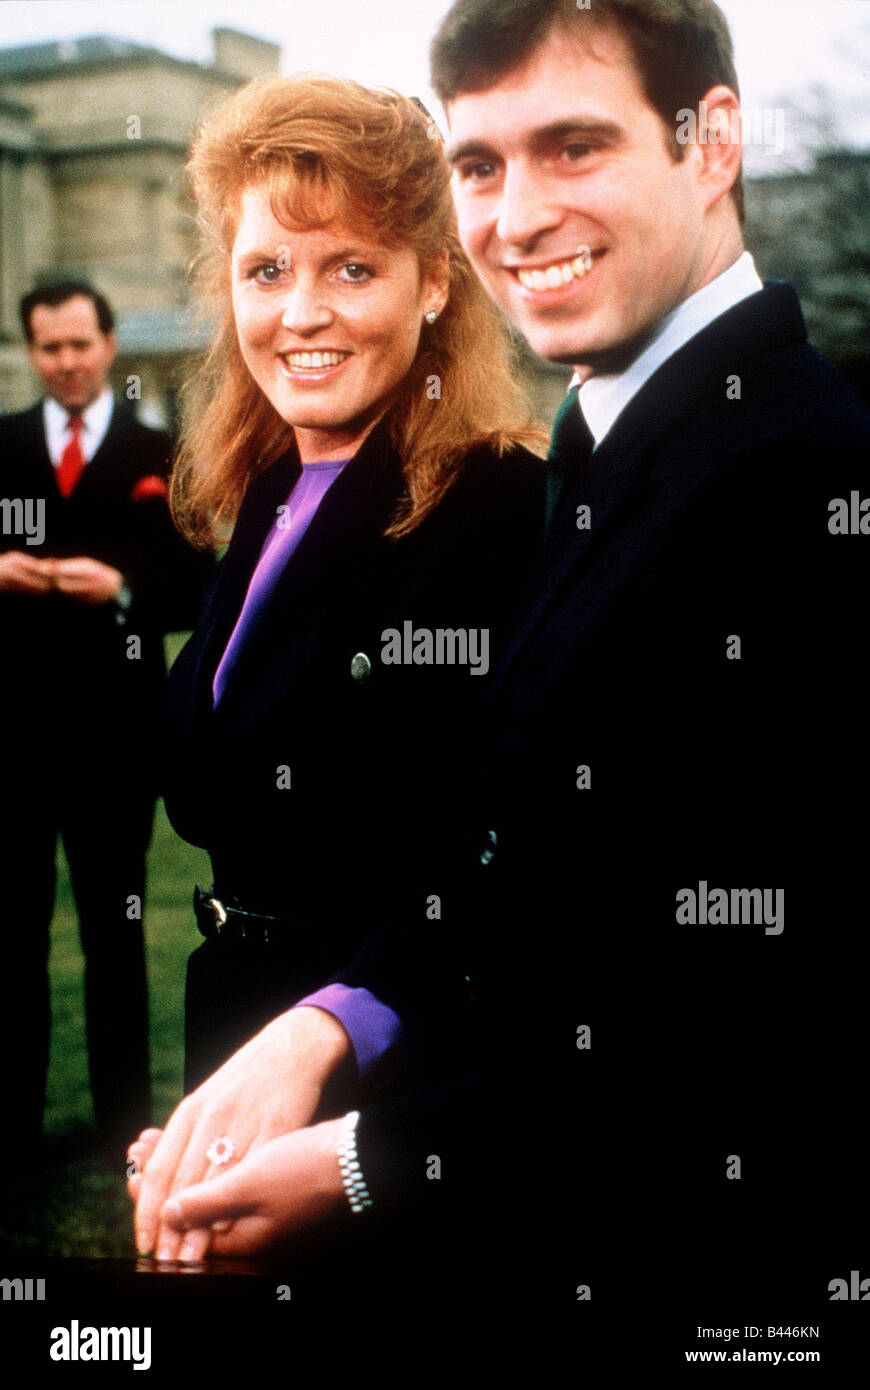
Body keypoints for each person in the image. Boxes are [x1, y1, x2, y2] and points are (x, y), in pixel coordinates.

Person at [130, 0, 868, 1320]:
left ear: (712, 144)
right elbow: (527, 868)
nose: (516, 216)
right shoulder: (612, 446)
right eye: (479, 164)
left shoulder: (790, 475)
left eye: (572, 145)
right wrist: (313, 1033)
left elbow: (743, 996)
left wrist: (361, 1156)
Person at [126, 73, 545, 1252]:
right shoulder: (265, 492)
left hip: (401, 1080)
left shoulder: (504, 507)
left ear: (436, 282)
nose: (300, 310)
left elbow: (514, 863)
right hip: (239, 1037)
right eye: (267, 271)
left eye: (351, 268)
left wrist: (329, 1033)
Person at [0, 281, 210, 1168]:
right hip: (11, 738)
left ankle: (124, 1126)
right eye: (50, 349)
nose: (68, 363)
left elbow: (203, 587)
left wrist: (118, 589)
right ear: (32, 352)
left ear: (109, 343)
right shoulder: (2, 447)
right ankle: (12, 1123)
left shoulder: (158, 453)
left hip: (115, 739)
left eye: (81, 345)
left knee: (113, 928)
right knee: (12, 933)